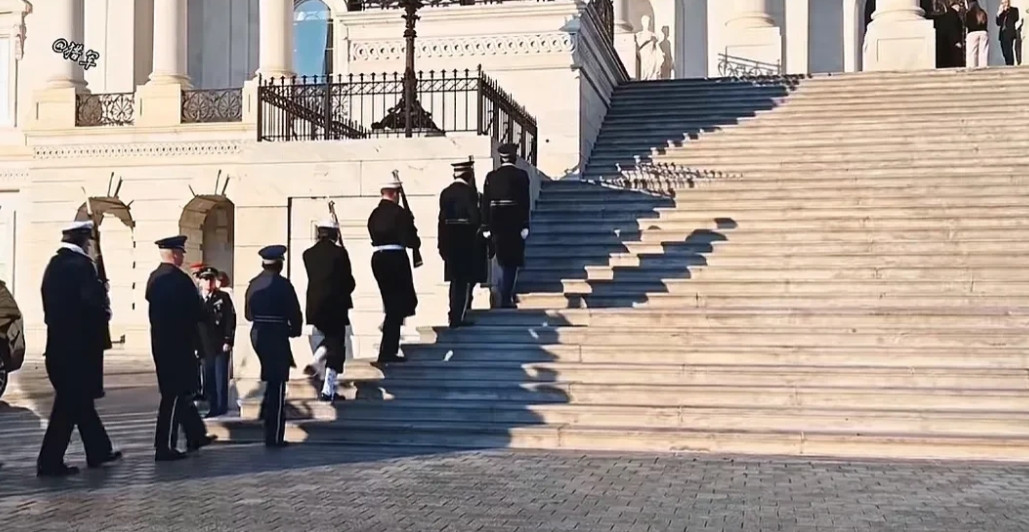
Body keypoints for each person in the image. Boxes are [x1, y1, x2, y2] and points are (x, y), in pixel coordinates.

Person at [36, 221, 122, 477]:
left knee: (81, 403)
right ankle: (49, 462)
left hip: (59, 348)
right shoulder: (82, 267)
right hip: (79, 351)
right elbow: (91, 306)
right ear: (84, 241)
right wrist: (103, 297)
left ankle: (99, 450)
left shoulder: (54, 266)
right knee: (67, 407)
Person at [146, 235, 216, 462]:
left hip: (161, 343)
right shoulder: (180, 280)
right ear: (175, 254)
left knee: (182, 394)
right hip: (179, 344)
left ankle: (196, 435)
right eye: (181, 252)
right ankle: (164, 445)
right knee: (174, 397)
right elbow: (198, 312)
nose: (183, 256)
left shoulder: (154, 278)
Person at [245, 245, 303, 448]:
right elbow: (294, 313)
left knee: (271, 380)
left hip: (258, 333)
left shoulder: (253, 284)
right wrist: (294, 330)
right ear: (279, 264)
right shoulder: (283, 285)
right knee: (277, 385)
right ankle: (274, 435)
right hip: (276, 334)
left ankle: (266, 415)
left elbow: (248, 314)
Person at [368, 175, 420, 363]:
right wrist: (411, 225)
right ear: (395, 193)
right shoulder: (400, 213)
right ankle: (388, 350)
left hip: (378, 259)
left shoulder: (374, 214)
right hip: (396, 259)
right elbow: (411, 241)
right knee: (397, 306)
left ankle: (388, 343)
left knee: (393, 304)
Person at [303, 219, 355, 402]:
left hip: (315, 306)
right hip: (335, 305)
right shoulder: (339, 253)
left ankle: (322, 373)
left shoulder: (308, 254)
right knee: (336, 345)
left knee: (332, 341)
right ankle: (326, 385)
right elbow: (348, 281)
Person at [481, 143, 531, 309]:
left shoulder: (491, 177)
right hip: (514, 223)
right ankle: (505, 295)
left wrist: (486, 225)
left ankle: (503, 293)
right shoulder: (521, 176)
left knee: (500, 259)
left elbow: (485, 202)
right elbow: (525, 202)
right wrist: (525, 224)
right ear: (515, 157)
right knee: (511, 262)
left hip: (496, 222)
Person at [439, 160, 484, 327]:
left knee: (454, 281)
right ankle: (459, 315)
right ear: (469, 175)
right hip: (465, 242)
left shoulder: (445, 193)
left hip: (449, 242)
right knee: (463, 281)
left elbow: (441, 221)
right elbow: (475, 219)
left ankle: (453, 313)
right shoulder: (469, 193)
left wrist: (441, 245)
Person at [197, 266, 236, 418]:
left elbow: (229, 320)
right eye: (205, 279)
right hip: (203, 344)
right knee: (209, 377)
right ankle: (212, 406)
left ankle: (221, 406)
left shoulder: (222, 297)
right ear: (200, 281)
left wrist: (228, 339)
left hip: (220, 343)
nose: (208, 282)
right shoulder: (196, 299)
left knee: (220, 377)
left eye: (211, 279)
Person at [937, 0, 966, 68]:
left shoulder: (949, 14)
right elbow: (953, 27)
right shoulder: (953, 14)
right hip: (953, 42)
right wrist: (956, 41)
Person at [966, 0, 990, 68]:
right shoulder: (982, 12)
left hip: (972, 33)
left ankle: (972, 68)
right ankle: (983, 67)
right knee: (983, 52)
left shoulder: (969, 13)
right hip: (983, 33)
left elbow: (967, 24)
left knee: (972, 53)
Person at [997, 0, 1021, 65]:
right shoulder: (1002, 12)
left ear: (1008, 2)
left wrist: (1007, 11)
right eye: (1002, 3)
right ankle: (1008, 62)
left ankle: (1010, 64)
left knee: (1009, 49)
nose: (1004, 4)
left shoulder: (1014, 10)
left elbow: (1016, 18)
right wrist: (999, 14)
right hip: (1002, 34)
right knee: (1004, 51)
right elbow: (998, 23)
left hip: (1009, 33)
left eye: (1005, 2)